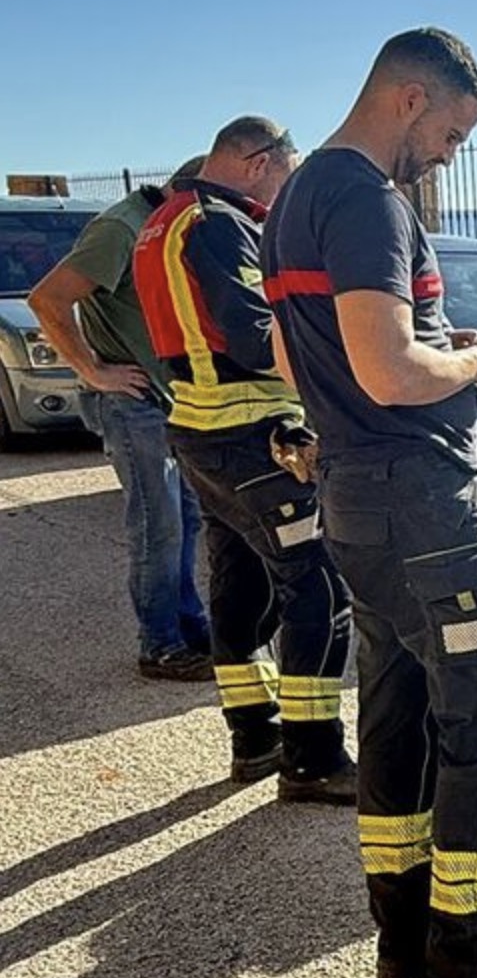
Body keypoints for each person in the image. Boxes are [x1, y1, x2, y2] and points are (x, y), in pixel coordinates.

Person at [262, 27, 477, 978]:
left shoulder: (291, 203)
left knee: (399, 709)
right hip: (421, 501)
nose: (447, 154)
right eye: (448, 131)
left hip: (357, 497)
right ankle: (476, 964)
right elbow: (390, 373)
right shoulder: (367, 199)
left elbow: (299, 358)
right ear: (409, 97)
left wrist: (429, 348)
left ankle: (402, 939)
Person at [130, 117, 357, 801]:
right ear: (259, 163)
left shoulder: (163, 222)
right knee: (317, 587)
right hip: (255, 435)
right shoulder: (219, 223)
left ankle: (253, 738)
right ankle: (313, 758)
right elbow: (255, 338)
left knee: (238, 585)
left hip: (200, 431)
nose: (286, 190)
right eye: (287, 172)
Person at [29, 161, 211, 680]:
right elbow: (48, 299)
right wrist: (93, 370)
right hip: (133, 405)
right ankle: (160, 644)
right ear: (184, 194)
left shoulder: (161, 225)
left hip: (170, 403)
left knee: (187, 520)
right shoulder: (122, 227)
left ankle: (188, 624)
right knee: (159, 526)